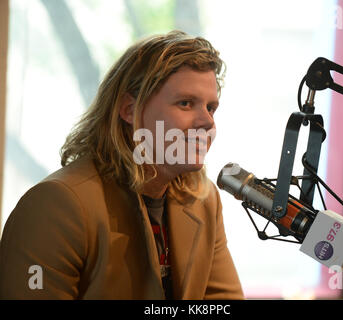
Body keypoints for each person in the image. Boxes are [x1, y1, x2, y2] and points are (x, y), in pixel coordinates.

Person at [0, 30, 244, 300]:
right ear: (129, 109)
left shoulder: (204, 198)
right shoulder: (56, 205)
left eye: (211, 108)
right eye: (186, 103)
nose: (208, 122)